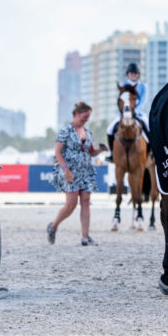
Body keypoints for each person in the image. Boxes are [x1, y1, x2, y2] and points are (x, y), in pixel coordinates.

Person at [47, 102, 105, 246]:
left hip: (86, 171)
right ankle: (53, 226)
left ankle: (85, 237)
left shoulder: (88, 132)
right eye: (84, 117)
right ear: (77, 114)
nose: (86, 120)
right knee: (70, 205)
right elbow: (58, 152)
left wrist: (100, 150)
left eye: (88, 117)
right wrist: (66, 169)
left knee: (86, 201)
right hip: (70, 171)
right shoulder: (65, 131)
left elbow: (90, 152)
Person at [106, 62, 148, 159]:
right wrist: (124, 113)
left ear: (138, 74)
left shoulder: (143, 87)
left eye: (135, 73)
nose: (133, 75)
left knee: (149, 128)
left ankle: (153, 153)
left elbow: (143, 102)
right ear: (128, 74)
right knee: (110, 129)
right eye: (131, 73)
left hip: (138, 114)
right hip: (123, 114)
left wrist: (134, 112)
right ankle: (112, 154)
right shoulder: (122, 85)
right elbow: (120, 101)